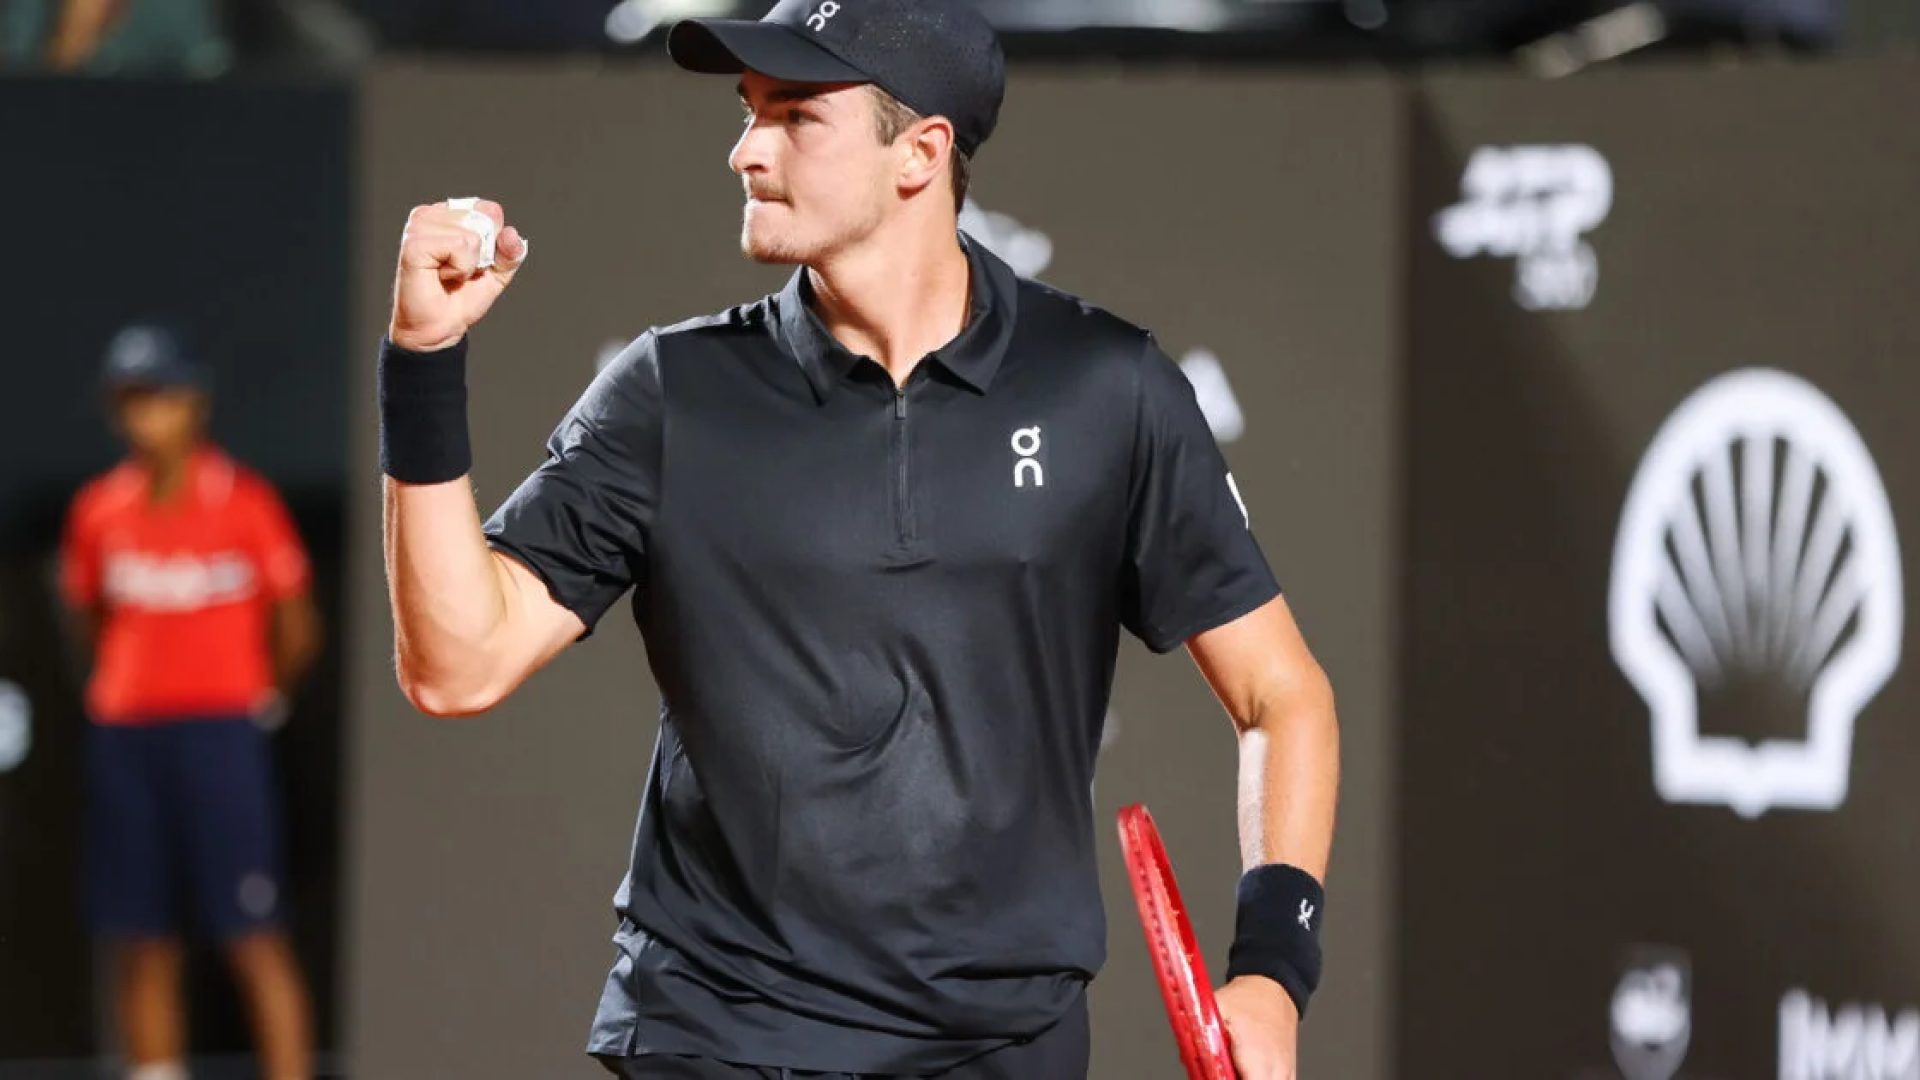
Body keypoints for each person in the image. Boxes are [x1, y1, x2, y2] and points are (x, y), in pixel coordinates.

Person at [376, 1, 1339, 1077]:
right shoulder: (671, 392)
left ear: (920, 153)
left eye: (795, 116)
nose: (745, 149)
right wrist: (421, 363)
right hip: (720, 1035)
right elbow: (456, 666)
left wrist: (1270, 975)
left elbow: (1281, 697)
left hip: (1000, 1048)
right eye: (749, 112)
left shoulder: (1108, 391)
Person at [60, 325, 320, 1080]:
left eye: (159, 397)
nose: (147, 416)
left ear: (193, 403)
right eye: (131, 400)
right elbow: (89, 618)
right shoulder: (98, 511)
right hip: (128, 739)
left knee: (253, 929)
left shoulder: (245, 503)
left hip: (221, 737)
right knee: (140, 937)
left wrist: (261, 694)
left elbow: (298, 624)